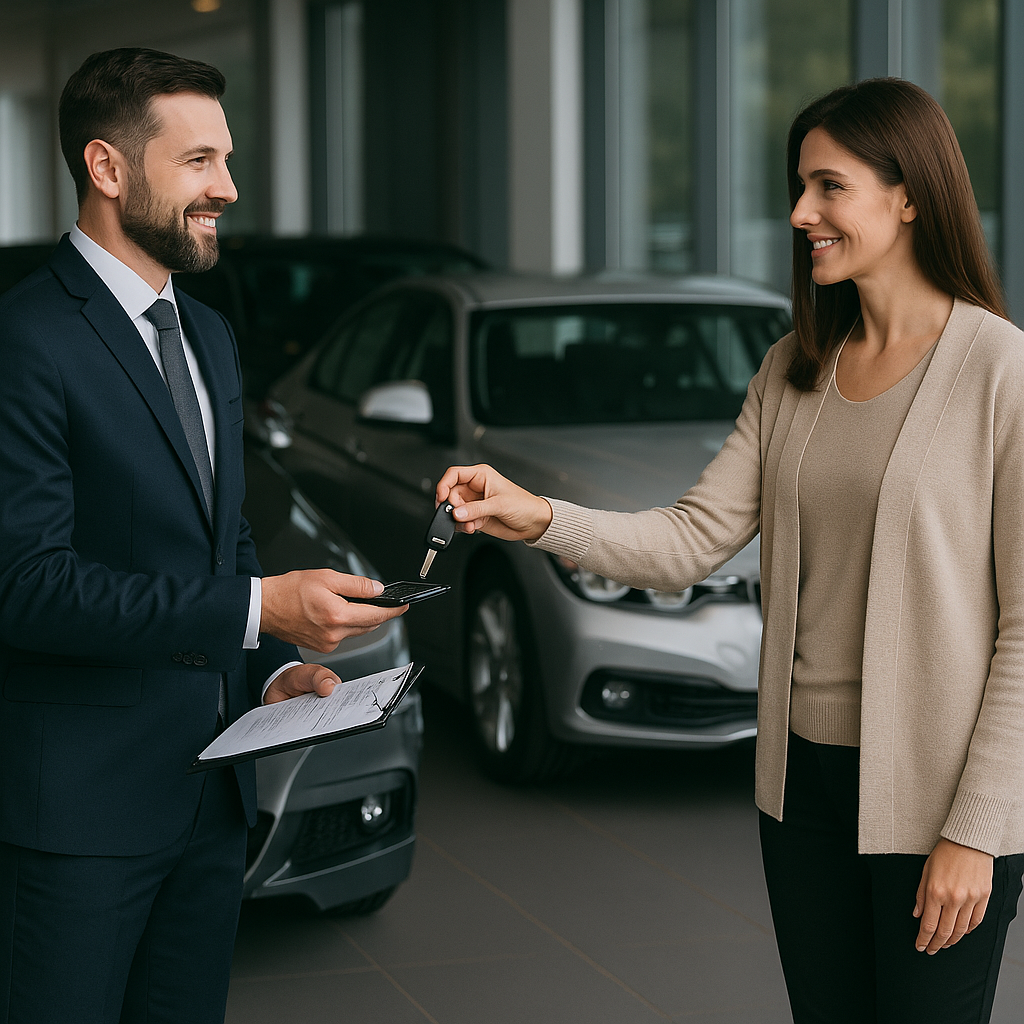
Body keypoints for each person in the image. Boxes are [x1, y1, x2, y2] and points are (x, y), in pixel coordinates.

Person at [436, 78, 1024, 1023]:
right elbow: (690, 539)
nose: (800, 214)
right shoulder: (796, 367)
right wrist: (538, 515)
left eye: (828, 187)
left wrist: (979, 830)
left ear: (909, 195)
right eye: (800, 187)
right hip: (800, 786)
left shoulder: (1002, 371)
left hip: (935, 798)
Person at [0, 48, 405, 1024]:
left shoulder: (211, 335)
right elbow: (27, 585)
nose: (227, 187)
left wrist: (273, 666)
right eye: (199, 161)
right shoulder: (25, 340)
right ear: (107, 168)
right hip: (80, 822)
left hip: (211, 799)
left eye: (226, 158)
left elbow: (220, 546)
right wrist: (260, 605)